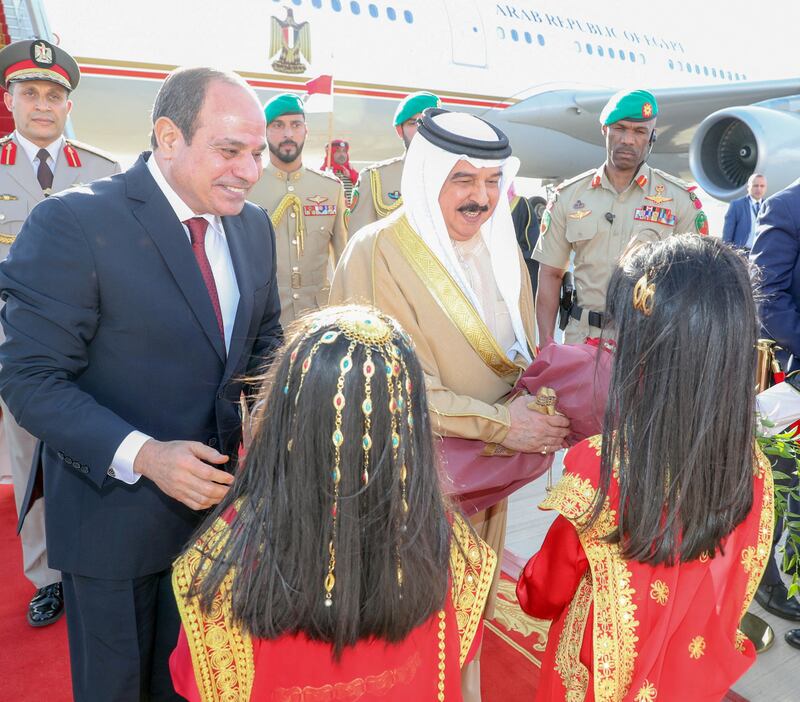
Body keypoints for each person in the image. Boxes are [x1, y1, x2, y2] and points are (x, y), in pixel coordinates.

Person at [0, 66, 282, 701]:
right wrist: (147, 456)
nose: (248, 170)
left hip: (222, 524)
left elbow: (266, 340)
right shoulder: (71, 224)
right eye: (229, 150)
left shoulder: (253, 225)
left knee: (202, 685)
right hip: (113, 526)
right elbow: (30, 379)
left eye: (256, 153)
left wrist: (269, 407)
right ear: (168, 137)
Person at [330, 108, 570, 698]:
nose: (480, 198)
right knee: (405, 623)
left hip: (486, 479)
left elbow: (520, 355)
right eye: (463, 180)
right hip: (403, 485)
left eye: (491, 182)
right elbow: (381, 385)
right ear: (426, 175)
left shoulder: (501, 246)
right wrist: (501, 425)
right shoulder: (375, 252)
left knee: (469, 611)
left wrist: (541, 408)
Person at [169, 305, 496, 700]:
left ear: (287, 415)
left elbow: (196, 683)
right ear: (410, 426)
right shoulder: (453, 549)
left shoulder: (222, 564)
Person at [517, 235, 773, 701]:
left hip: (596, 677)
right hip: (688, 676)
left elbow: (544, 590)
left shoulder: (603, 466)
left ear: (646, 355)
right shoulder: (751, 465)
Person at [0, 38, 121, 629]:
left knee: (94, 449)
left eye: (53, 95)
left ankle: (92, 560)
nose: (42, 105)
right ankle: (47, 576)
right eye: (30, 93)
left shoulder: (102, 172)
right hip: (18, 349)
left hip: (91, 346)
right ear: (10, 99)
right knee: (29, 461)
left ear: (67, 105)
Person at [533, 89, 708, 345]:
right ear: (605, 130)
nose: (628, 139)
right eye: (620, 128)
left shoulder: (680, 200)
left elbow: (695, 286)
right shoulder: (569, 196)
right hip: (581, 342)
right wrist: (546, 346)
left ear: (652, 137)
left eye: (639, 132)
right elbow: (550, 274)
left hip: (648, 346)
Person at [750, 178, 800, 647]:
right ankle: (768, 581)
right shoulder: (786, 208)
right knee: (783, 488)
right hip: (794, 380)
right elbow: (767, 299)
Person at [248, 93, 347, 325]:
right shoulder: (248, 187)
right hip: (264, 324)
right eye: (278, 125)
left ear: (306, 130)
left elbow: (344, 260)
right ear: (265, 131)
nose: (288, 134)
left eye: (296, 125)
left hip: (319, 322)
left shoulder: (331, 188)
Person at [347, 90, 440, 233]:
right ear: (399, 130)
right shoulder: (374, 178)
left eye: (430, 122)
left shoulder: (460, 176)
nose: (422, 129)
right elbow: (359, 244)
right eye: (413, 123)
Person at [723, 173, 767, 250]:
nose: (759, 189)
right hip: (742, 253)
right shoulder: (736, 205)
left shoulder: (768, 206)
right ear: (748, 187)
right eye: (755, 186)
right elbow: (727, 235)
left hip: (762, 253)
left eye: (762, 186)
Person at [322, 138, 359, 204]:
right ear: (331, 153)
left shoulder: (351, 170)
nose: (342, 154)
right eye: (338, 151)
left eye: (344, 151)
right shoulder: (324, 171)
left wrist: (351, 175)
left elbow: (361, 187)